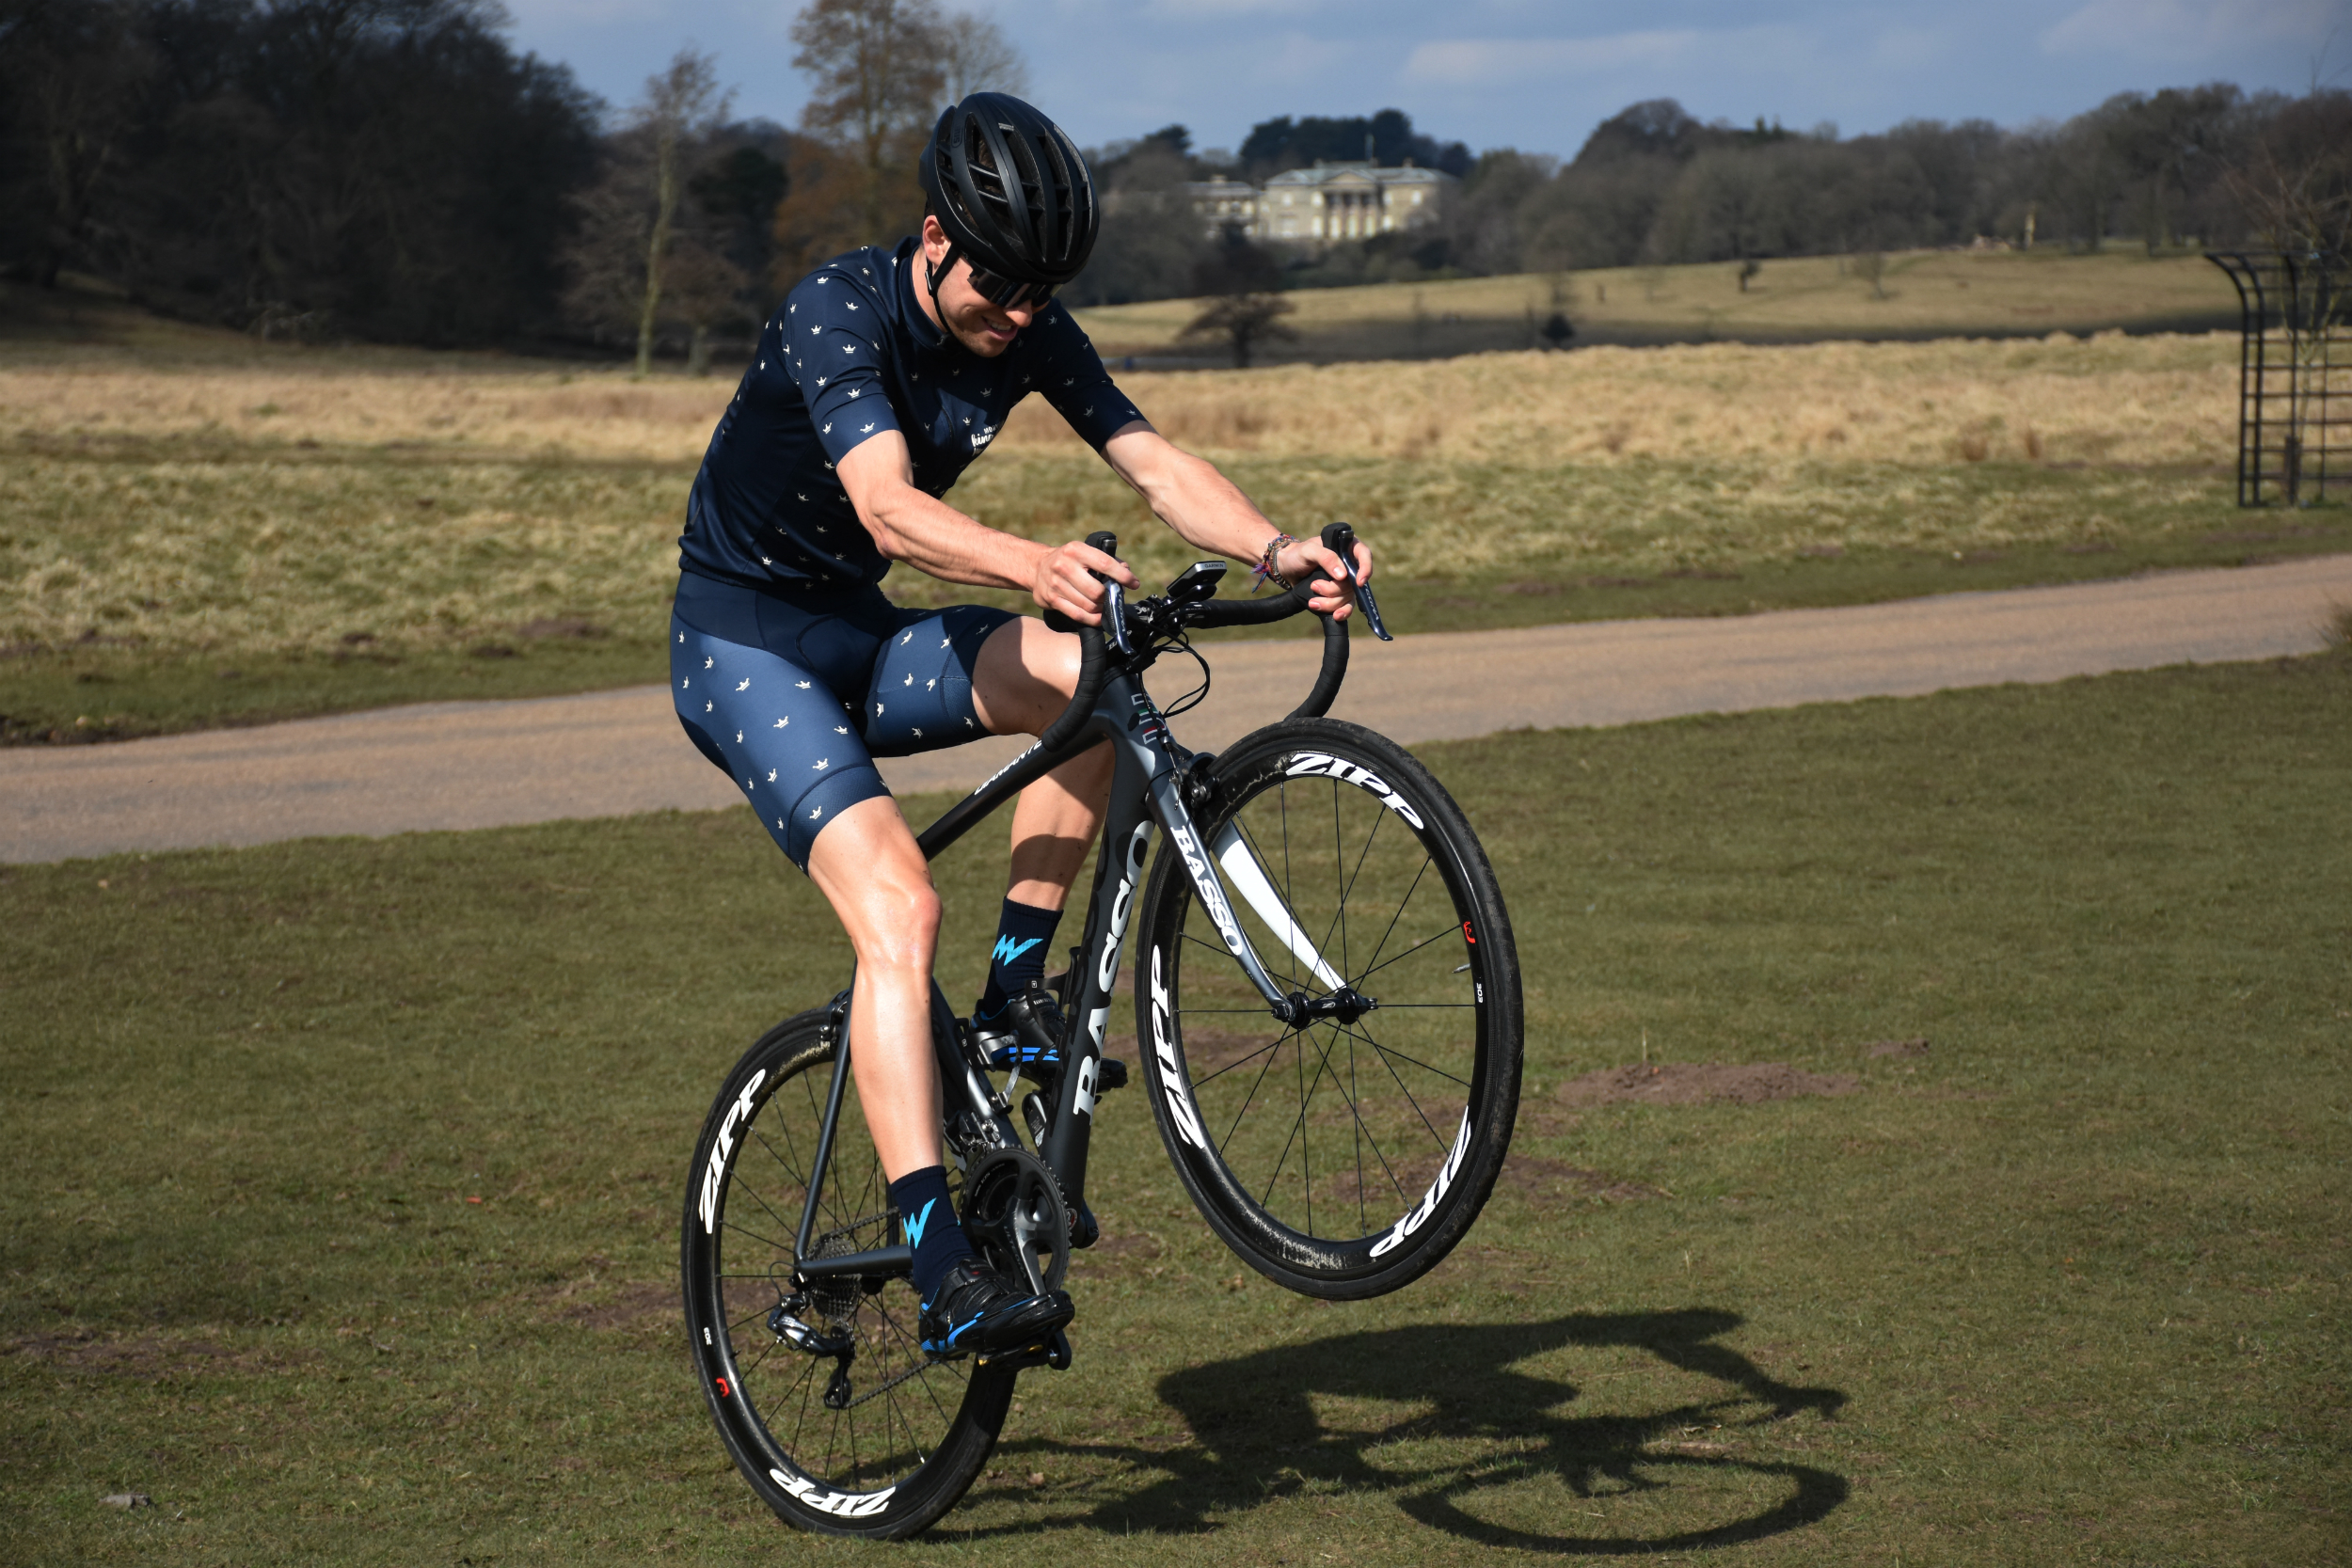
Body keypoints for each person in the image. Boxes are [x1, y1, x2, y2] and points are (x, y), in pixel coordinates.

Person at [668, 93, 1370, 1360]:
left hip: (857, 631)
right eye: (1000, 283)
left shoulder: (1027, 320)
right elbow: (883, 507)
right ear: (935, 237)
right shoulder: (839, 308)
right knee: (898, 910)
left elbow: (1153, 463)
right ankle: (941, 1269)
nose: (1021, 314)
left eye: (1046, 290)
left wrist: (1280, 546)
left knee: (1094, 678)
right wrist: (1025, 562)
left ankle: (1008, 1000)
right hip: (742, 645)